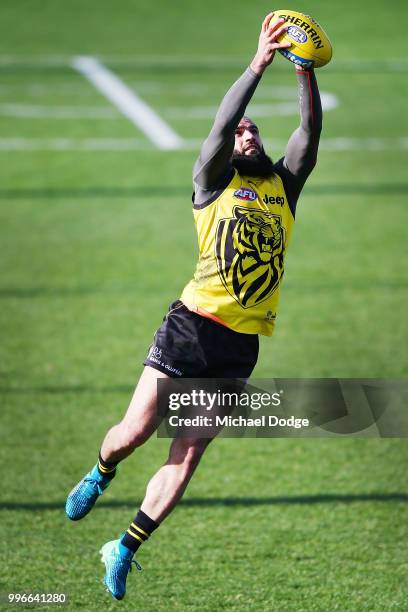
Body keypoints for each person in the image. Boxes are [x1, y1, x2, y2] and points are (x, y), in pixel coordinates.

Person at [65, 12, 322, 600]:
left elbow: (309, 135)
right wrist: (259, 64)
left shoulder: (285, 186)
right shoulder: (211, 180)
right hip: (191, 327)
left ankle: (122, 547)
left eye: (254, 132)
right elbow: (223, 121)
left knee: (186, 456)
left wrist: (304, 71)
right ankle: (101, 472)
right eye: (241, 134)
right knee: (133, 435)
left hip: (240, 344)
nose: (248, 135)